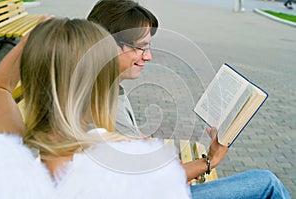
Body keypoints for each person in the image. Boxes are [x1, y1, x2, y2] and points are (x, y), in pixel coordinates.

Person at [87, 0, 291, 198]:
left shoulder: (102, 86)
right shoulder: (104, 104)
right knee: (266, 183)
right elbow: (149, 181)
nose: (148, 56)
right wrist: (210, 160)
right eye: (141, 47)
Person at [0, 18, 192, 198]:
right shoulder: (134, 167)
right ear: (101, 86)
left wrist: (31, 42)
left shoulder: (14, 158)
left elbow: (1, 87)